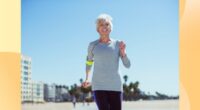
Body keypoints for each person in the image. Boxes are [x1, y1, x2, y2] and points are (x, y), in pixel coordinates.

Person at [82, 13, 131, 110]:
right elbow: (89, 62)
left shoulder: (118, 44)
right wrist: (87, 78)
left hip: (115, 85)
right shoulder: (92, 45)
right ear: (97, 29)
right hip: (98, 85)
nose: (104, 27)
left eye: (107, 24)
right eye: (101, 25)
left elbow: (128, 65)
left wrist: (123, 53)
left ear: (111, 27)